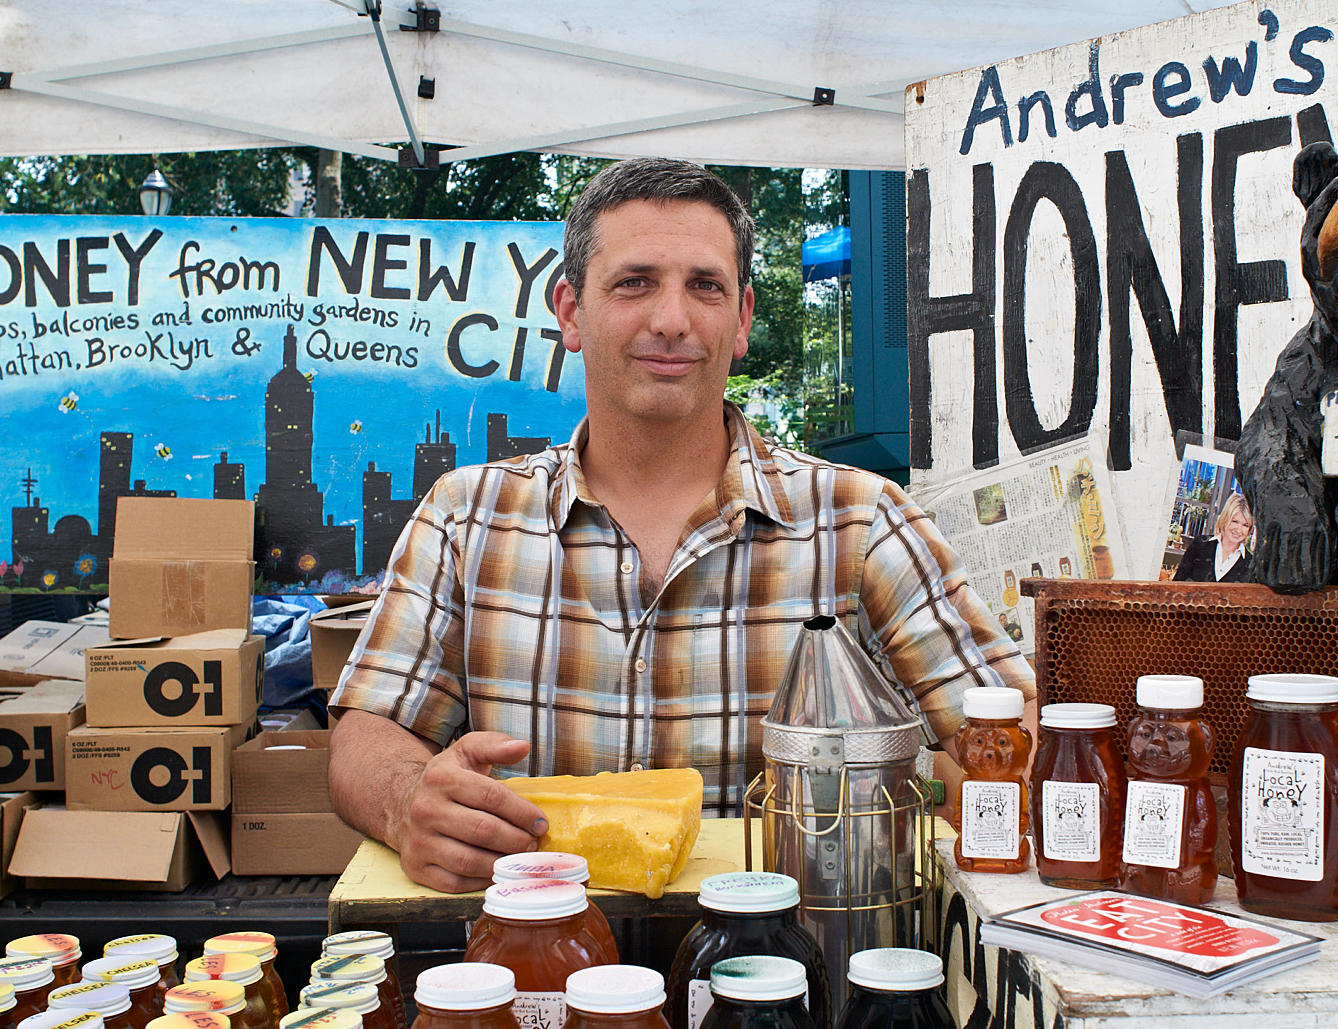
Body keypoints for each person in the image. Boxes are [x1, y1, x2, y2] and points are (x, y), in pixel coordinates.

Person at [327, 157, 1036, 892]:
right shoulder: (465, 519)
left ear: (742, 320)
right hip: (539, 976)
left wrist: (967, 787)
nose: (671, 320)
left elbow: (1012, 731)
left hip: (794, 983)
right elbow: (362, 736)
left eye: (705, 286)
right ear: (570, 311)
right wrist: (410, 798)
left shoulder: (862, 523)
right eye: (634, 283)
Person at [1173, 493, 1253, 582]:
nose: (1239, 529)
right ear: (1225, 519)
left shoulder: (1251, 564)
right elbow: (1177, 584)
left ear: (1250, 529)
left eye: (1245, 525)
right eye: (1235, 521)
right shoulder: (1199, 546)